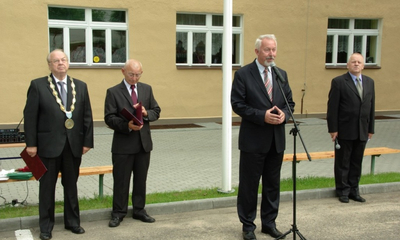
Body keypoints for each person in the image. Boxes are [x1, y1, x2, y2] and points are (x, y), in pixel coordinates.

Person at [23, 49, 94, 240]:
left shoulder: (80, 86)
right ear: (50, 65)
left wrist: (87, 142)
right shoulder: (38, 86)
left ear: (68, 63)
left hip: (73, 146)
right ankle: (46, 227)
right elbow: (30, 117)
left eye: (63, 60)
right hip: (47, 147)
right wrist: (31, 144)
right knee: (47, 188)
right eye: (56, 61)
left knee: (71, 186)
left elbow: (87, 115)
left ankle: (73, 223)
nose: (60, 63)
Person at [231, 34, 295, 240]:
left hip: (276, 141)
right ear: (257, 51)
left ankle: (269, 223)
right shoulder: (243, 74)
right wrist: (262, 116)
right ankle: (248, 226)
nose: (272, 54)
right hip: (253, 141)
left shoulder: (280, 73)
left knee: (272, 185)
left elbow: (290, 103)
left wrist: (285, 115)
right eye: (267, 50)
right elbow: (238, 104)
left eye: (274, 49)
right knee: (249, 185)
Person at [104, 59, 161, 228]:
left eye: (138, 74)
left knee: (140, 180)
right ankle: (118, 213)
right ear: (123, 72)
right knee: (121, 181)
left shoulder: (147, 89)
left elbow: (156, 111)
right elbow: (109, 117)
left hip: (143, 144)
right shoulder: (113, 92)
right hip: (123, 145)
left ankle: (139, 210)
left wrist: (146, 113)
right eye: (131, 74)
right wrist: (126, 125)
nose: (135, 78)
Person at [327, 53, 375, 204]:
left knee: (356, 161)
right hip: (344, 129)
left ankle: (354, 190)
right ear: (348, 65)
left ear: (363, 65)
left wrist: (371, 128)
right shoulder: (339, 82)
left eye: (359, 62)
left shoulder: (369, 82)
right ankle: (343, 191)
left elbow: (371, 106)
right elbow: (332, 108)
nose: (356, 64)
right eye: (353, 62)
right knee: (343, 162)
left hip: (362, 129)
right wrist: (333, 129)